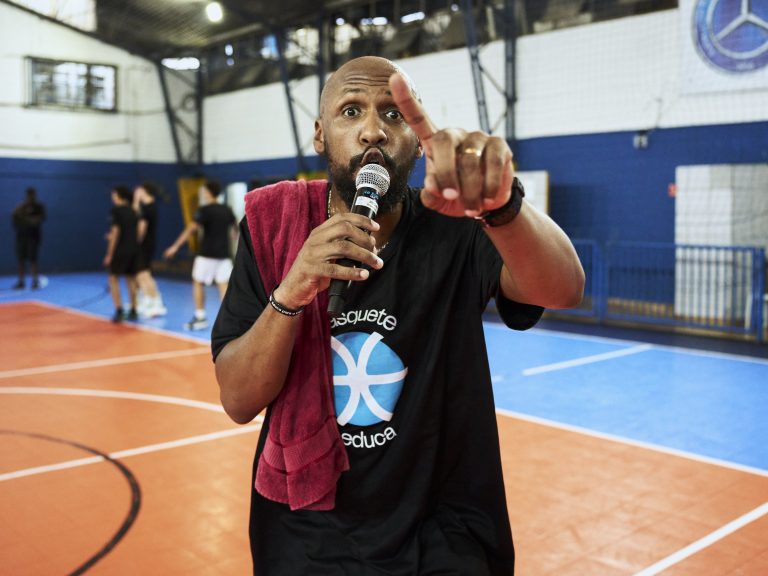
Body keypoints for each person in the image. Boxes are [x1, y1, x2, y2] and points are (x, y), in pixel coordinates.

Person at [211, 56, 585, 575]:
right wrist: (292, 291)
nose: (373, 131)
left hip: (440, 530)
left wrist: (502, 207)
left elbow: (564, 289)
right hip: (306, 535)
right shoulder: (273, 226)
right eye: (351, 111)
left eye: (393, 114)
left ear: (416, 138)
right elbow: (238, 400)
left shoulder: (456, 224)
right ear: (320, 134)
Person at [163, 180, 237, 330]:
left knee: (197, 282)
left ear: (208, 192)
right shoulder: (227, 210)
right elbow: (236, 229)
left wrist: (175, 246)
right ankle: (227, 320)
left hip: (206, 254)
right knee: (223, 285)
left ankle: (200, 317)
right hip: (224, 254)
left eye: (204, 191)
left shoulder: (204, 210)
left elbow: (191, 229)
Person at [103, 185, 140, 323]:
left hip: (120, 250)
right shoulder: (133, 211)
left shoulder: (116, 211)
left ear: (119, 196)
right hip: (133, 249)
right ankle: (134, 310)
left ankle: (119, 310)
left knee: (113, 278)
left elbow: (116, 232)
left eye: (113, 195)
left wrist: (109, 254)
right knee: (131, 280)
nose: (112, 198)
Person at [133, 182, 167, 318]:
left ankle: (155, 303)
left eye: (138, 190)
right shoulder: (150, 207)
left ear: (144, 191)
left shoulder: (147, 209)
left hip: (143, 245)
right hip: (148, 244)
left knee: (143, 274)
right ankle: (150, 301)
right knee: (141, 274)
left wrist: (134, 243)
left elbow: (141, 229)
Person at [12, 187, 46, 290]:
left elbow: (38, 220)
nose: (31, 197)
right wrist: (22, 217)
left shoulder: (39, 207)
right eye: (29, 195)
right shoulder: (21, 207)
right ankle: (21, 281)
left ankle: (35, 281)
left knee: (33, 259)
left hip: (33, 237)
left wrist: (27, 219)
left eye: (32, 195)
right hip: (21, 237)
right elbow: (15, 219)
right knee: (20, 260)